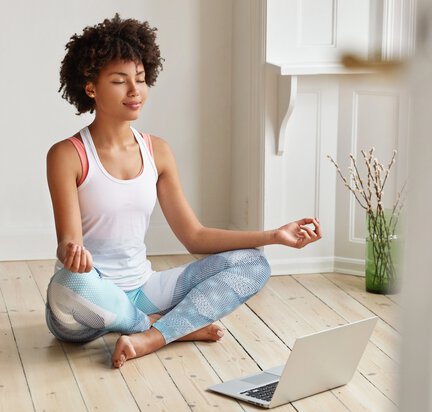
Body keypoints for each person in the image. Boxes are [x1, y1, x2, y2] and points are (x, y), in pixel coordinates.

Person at [46, 14, 322, 368]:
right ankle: (169, 326)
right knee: (68, 283)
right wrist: (72, 252)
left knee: (254, 262)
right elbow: (68, 242)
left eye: (141, 80)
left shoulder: (157, 151)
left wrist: (275, 235)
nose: (135, 91)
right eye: (119, 81)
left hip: (143, 289)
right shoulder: (67, 155)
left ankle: (151, 336)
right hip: (88, 299)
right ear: (91, 88)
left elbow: (194, 236)